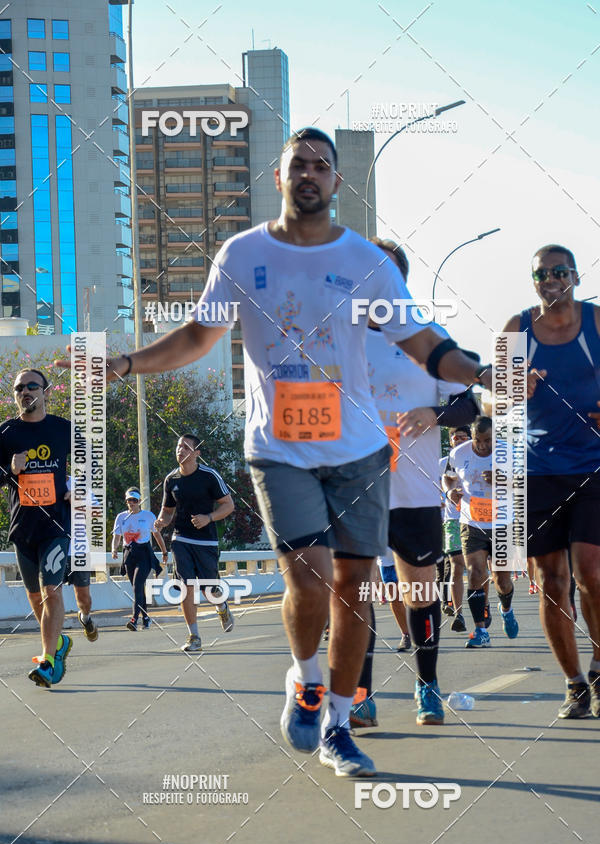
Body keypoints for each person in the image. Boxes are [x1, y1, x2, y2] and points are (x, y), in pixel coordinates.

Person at [58, 127, 492, 776]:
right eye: (299, 165)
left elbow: (428, 346)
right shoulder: (243, 254)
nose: (310, 174)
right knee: (312, 578)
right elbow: (198, 336)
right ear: (280, 176)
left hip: (363, 455)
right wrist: (124, 364)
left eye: (322, 165)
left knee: (355, 586)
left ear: (336, 181)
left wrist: (481, 376)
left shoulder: (364, 265)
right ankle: (307, 677)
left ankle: (341, 724)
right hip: (281, 448)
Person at [354, 238, 479, 726]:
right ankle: (360, 696)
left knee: (419, 594)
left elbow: (473, 403)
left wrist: (436, 412)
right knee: (358, 595)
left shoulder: (429, 339)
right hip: (354, 493)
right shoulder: (335, 339)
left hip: (415, 494)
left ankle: (427, 688)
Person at [504, 244, 600, 718]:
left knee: (592, 574)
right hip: (538, 470)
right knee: (551, 580)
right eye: (541, 274)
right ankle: (575, 683)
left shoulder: (596, 323)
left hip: (593, 466)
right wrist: (512, 390)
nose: (550, 280)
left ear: (576, 276)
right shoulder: (516, 329)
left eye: (559, 272)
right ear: (534, 281)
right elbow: (494, 404)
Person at [0, 369, 72, 687]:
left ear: (46, 392)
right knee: (36, 598)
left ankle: (48, 662)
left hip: (56, 526)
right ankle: (58, 643)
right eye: (20, 388)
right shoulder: (6, 433)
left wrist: (79, 487)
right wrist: (9, 470)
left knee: (51, 592)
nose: (26, 391)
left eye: (32, 386)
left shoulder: (63, 429)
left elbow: (92, 463)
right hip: (22, 527)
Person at [154, 434, 235, 651]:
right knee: (185, 586)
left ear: (196, 453)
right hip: (181, 538)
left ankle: (221, 605)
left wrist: (208, 518)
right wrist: (162, 522)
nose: (180, 450)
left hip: (206, 541)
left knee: (210, 589)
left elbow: (228, 505)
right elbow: (167, 512)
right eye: (178, 446)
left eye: (186, 447)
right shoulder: (171, 480)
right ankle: (194, 636)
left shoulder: (209, 476)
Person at [443, 416, 518, 648]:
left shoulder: (510, 452)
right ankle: (480, 630)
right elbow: (448, 477)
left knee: (502, 580)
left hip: (502, 524)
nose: (483, 446)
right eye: (478, 440)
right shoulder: (459, 453)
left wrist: (502, 480)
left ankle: (506, 609)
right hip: (471, 523)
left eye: (488, 441)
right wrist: (450, 492)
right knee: (475, 573)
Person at [112, 488, 167, 630]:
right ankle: (146, 618)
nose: (132, 503)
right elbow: (117, 536)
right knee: (137, 589)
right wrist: (114, 549)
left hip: (144, 554)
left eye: (134, 500)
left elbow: (157, 535)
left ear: (139, 501)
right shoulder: (121, 517)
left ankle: (134, 619)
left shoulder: (148, 516)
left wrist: (164, 551)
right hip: (129, 555)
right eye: (129, 500)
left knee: (137, 585)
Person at [439, 426, 471, 632]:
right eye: (454, 437)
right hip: (451, 519)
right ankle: (456, 610)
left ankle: (486, 606)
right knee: (452, 566)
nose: (458, 440)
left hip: (478, 520)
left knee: (481, 569)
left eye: (462, 437)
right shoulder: (443, 463)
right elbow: (434, 485)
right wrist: (447, 494)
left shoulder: (478, 456)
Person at [64, 477, 98, 642]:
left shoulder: (80, 485)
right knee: (48, 595)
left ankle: (85, 617)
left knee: (83, 599)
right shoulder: (42, 480)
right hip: (50, 547)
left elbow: (96, 512)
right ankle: (53, 644)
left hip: (78, 549)